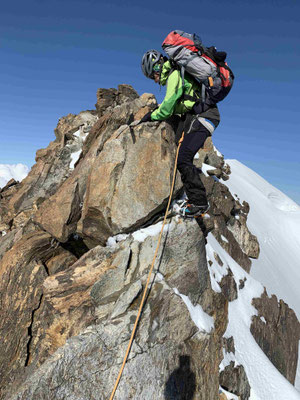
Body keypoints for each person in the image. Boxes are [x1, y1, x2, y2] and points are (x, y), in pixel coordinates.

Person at [141, 49, 220, 217]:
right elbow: (179, 103)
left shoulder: (174, 75)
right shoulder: (176, 73)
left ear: (156, 69)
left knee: (183, 157)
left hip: (204, 117)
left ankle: (199, 203)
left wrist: (151, 115)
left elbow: (168, 107)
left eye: (152, 76)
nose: (154, 81)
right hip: (198, 116)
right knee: (179, 148)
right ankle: (191, 196)